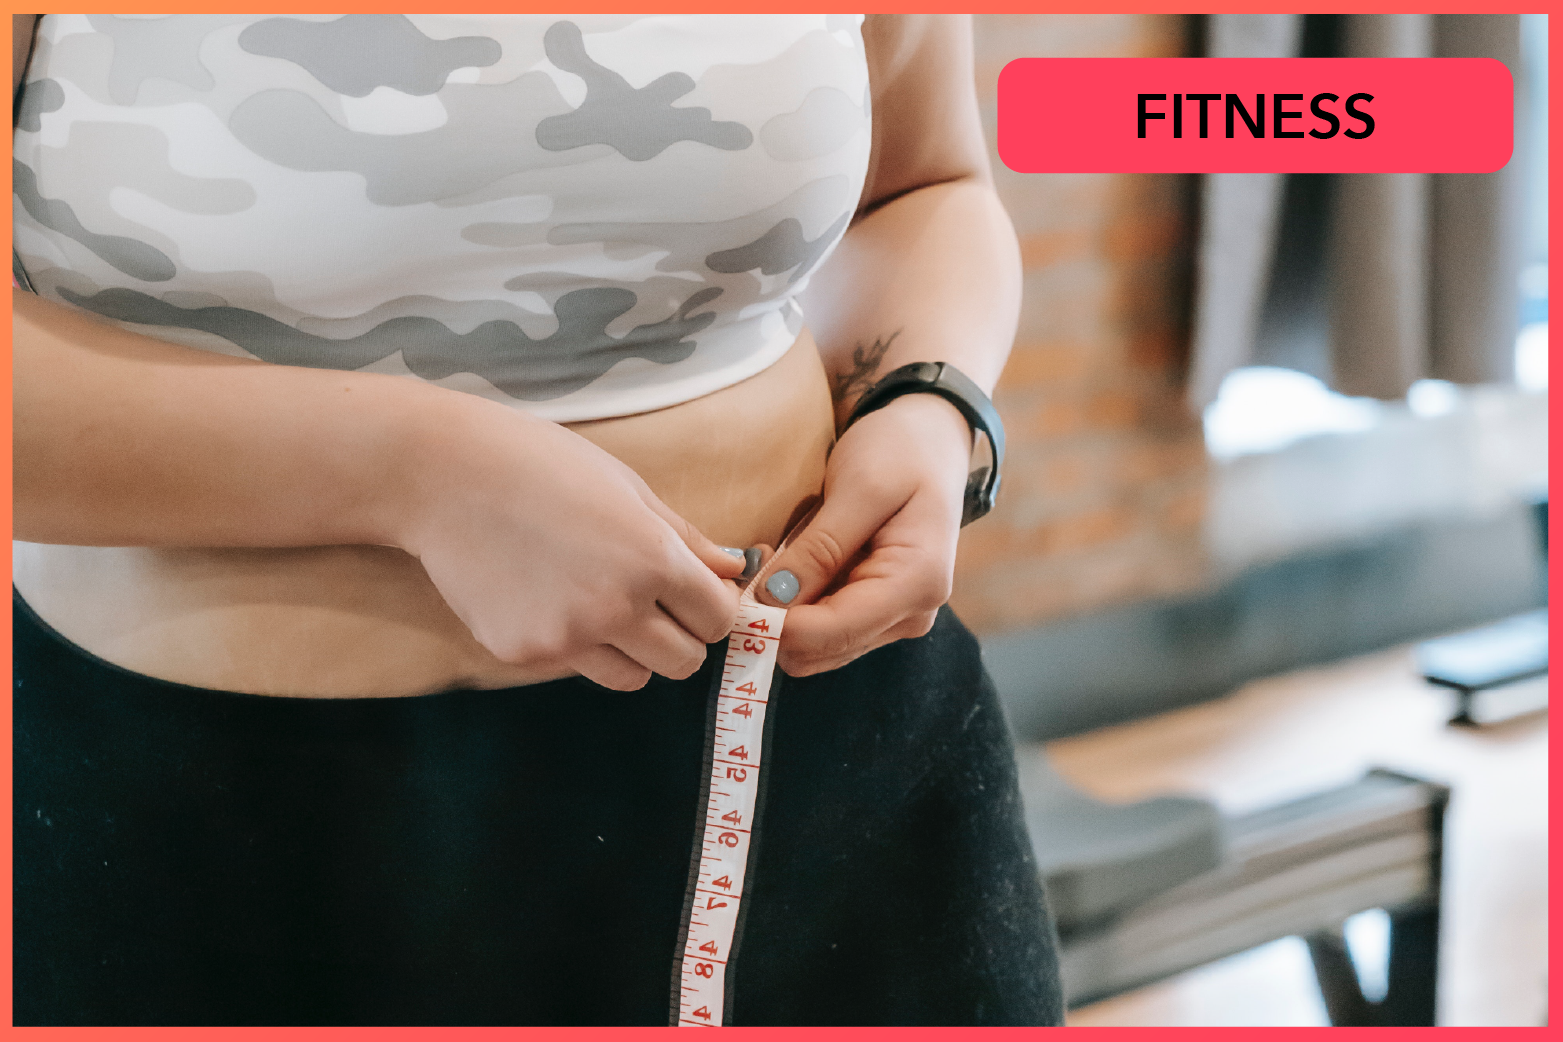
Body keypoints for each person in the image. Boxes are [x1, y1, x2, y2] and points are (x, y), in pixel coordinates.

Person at [13, 13, 1064, 1025]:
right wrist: (415, 473)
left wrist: (925, 401)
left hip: (813, 757)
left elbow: (925, 189)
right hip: (187, 822)